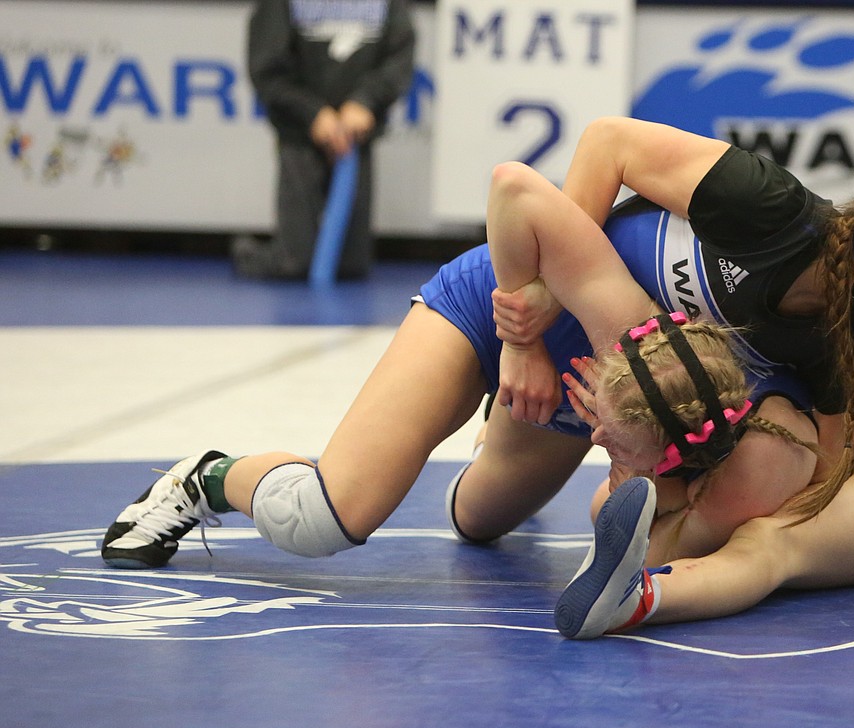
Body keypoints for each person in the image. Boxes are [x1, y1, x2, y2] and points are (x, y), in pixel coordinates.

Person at [99, 169, 817, 570]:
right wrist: (522, 344)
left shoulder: (732, 408)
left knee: (473, 522)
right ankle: (206, 475)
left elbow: (628, 513)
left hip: (589, 386)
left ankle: (494, 433)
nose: (602, 453)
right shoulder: (613, 302)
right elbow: (512, 186)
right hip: (494, 312)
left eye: (616, 451)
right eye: (614, 447)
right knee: (317, 518)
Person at [451, 117, 854, 562]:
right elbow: (607, 140)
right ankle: (495, 448)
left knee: (734, 501)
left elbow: (816, 474)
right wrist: (551, 284)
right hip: (725, 389)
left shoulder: (851, 345)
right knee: (478, 518)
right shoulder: (769, 210)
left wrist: (661, 474)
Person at [232, 0, 416, 281]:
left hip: (356, 137)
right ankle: (247, 252)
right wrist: (312, 113)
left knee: (352, 265)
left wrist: (365, 101)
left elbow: (399, 55)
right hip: (300, 134)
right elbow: (267, 66)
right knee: (296, 261)